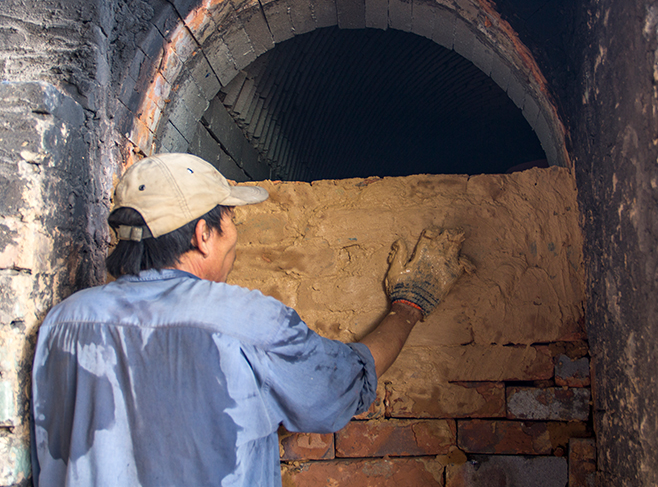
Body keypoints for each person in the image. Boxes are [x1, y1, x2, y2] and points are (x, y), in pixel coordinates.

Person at [31, 153, 470, 486]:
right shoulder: (245, 320)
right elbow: (347, 383)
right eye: (230, 218)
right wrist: (411, 303)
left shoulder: (64, 323)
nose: (234, 232)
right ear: (204, 235)